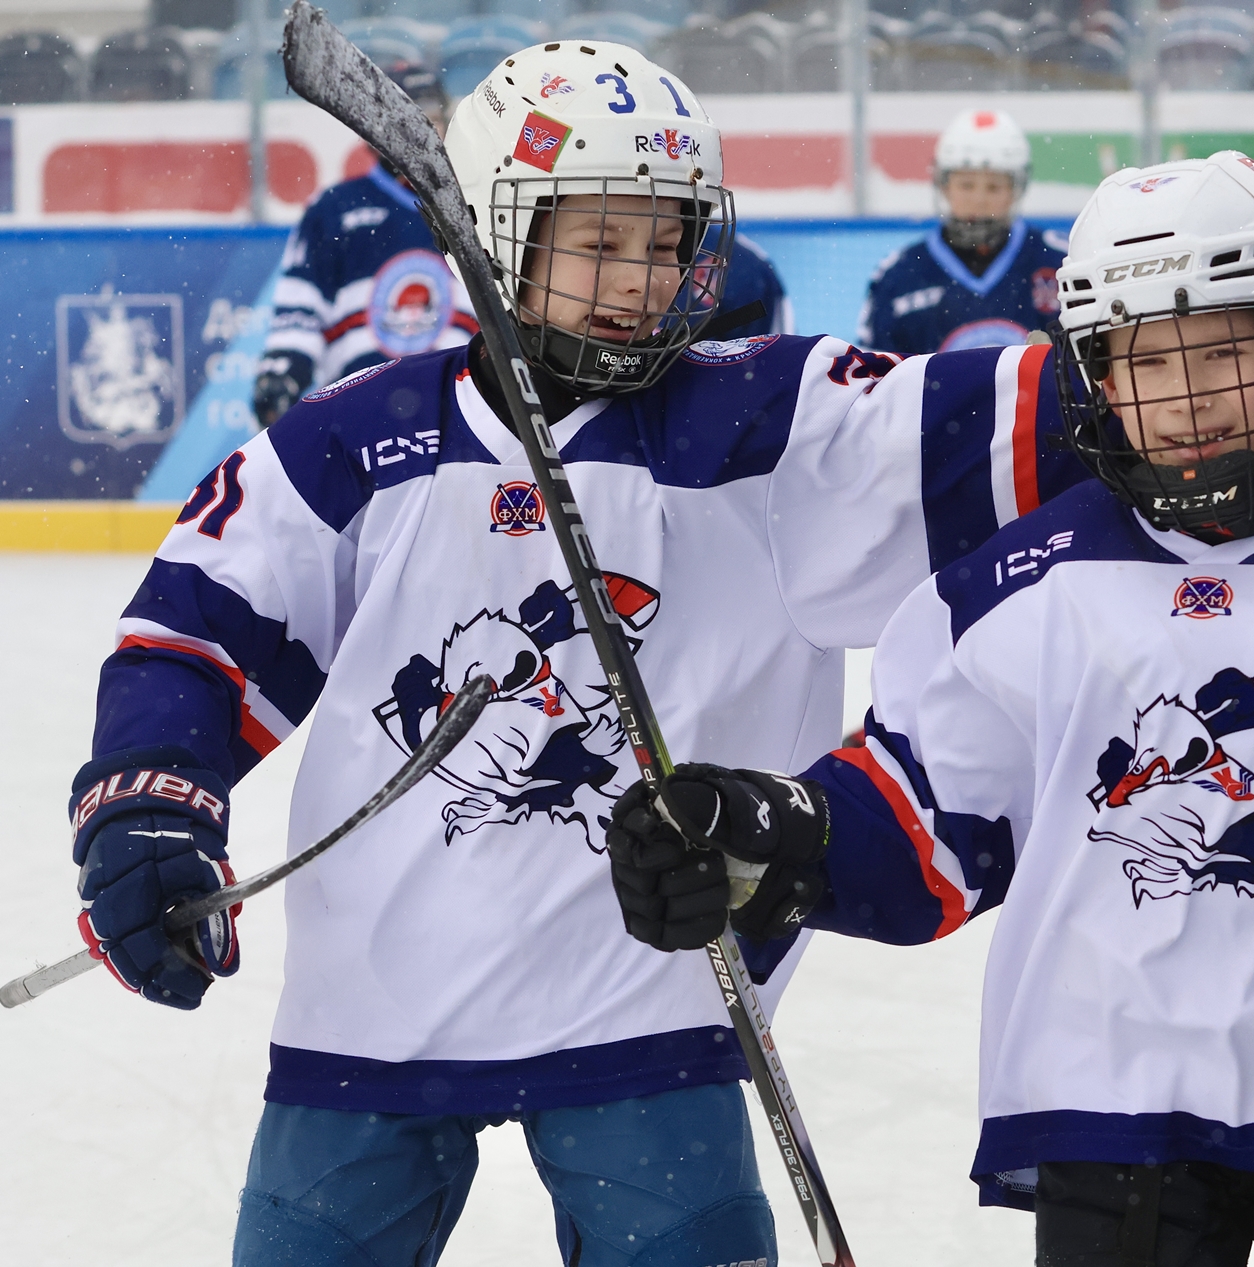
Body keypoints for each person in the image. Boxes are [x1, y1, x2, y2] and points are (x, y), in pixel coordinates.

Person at [69, 42, 1113, 1267]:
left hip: (649, 1010)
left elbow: (1058, 419)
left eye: (666, 244)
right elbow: (192, 634)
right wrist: (147, 807)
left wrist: (1228, 362)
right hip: (376, 1012)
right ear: (492, 236)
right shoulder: (355, 441)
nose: (643, 282)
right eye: (600, 242)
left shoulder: (767, 424)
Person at [606, 154, 1254, 1267]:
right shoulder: (1008, 593)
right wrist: (768, 837)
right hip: (1106, 1111)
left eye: (1223, 352)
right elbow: (923, 829)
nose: (1189, 397)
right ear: (1094, 378)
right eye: (1148, 360)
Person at [252, 62, 478, 427]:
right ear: (372, 132)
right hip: (361, 412)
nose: (421, 132)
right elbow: (301, 307)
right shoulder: (335, 209)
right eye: (405, 122)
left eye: (432, 119)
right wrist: (284, 371)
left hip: (459, 412)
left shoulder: (475, 203)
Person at [858, 108, 1069, 353]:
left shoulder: (1060, 263)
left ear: (1016, 188)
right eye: (966, 185)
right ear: (944, 185)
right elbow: (875, 369)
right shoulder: (900, 276)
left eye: (994, 187)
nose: (979, 200)